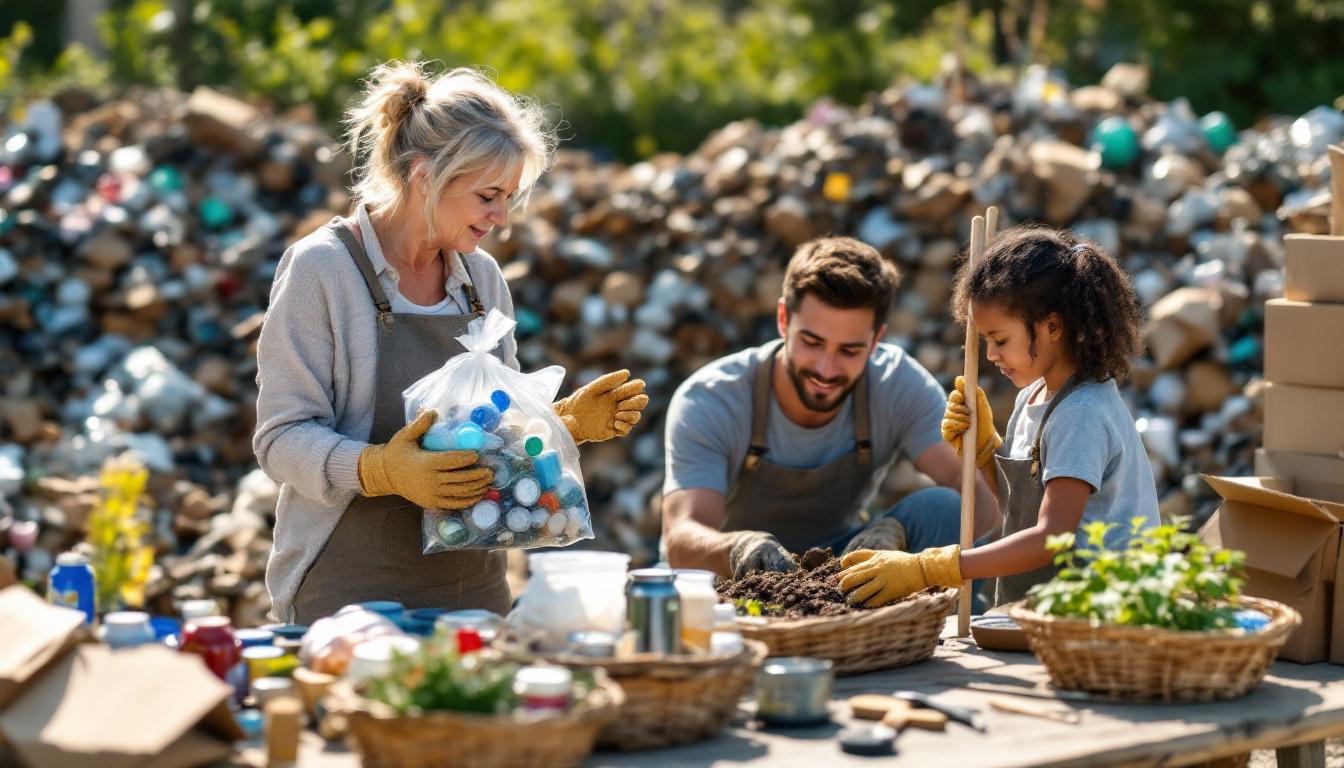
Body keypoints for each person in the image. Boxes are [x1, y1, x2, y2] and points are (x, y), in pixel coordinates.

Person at [255, 62, 648, 623]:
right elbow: (280, 439)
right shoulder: (323, 270)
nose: (502, 217)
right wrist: (381, 470)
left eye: (509, 197)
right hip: (347, 593)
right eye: (489, 195)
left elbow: (498, 435)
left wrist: (560, 424)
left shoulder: (482, 281)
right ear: (424, 176)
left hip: (474, 591)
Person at [838, 226, 1159, 608]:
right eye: (985, 341)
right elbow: (1021, 513)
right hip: (1040, 609)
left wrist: (931, 567)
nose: (990, 355)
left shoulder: (1082, 414)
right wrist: (986, 452)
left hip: (1097, 615)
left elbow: (1049, 538)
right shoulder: (1032, 398)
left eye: (1000, 340)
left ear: (1053, 326)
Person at [662, 236, 998, 579]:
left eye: (849, 350)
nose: (826, 369)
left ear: (876, 340)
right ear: (783, 319)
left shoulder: (896, 384)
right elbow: (683, 537)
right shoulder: (713, 398)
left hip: (844, 573)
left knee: (943, 507)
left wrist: (897, 538)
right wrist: (738, 550)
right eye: (812, 342)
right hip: (730, 583)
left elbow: (977, 497)